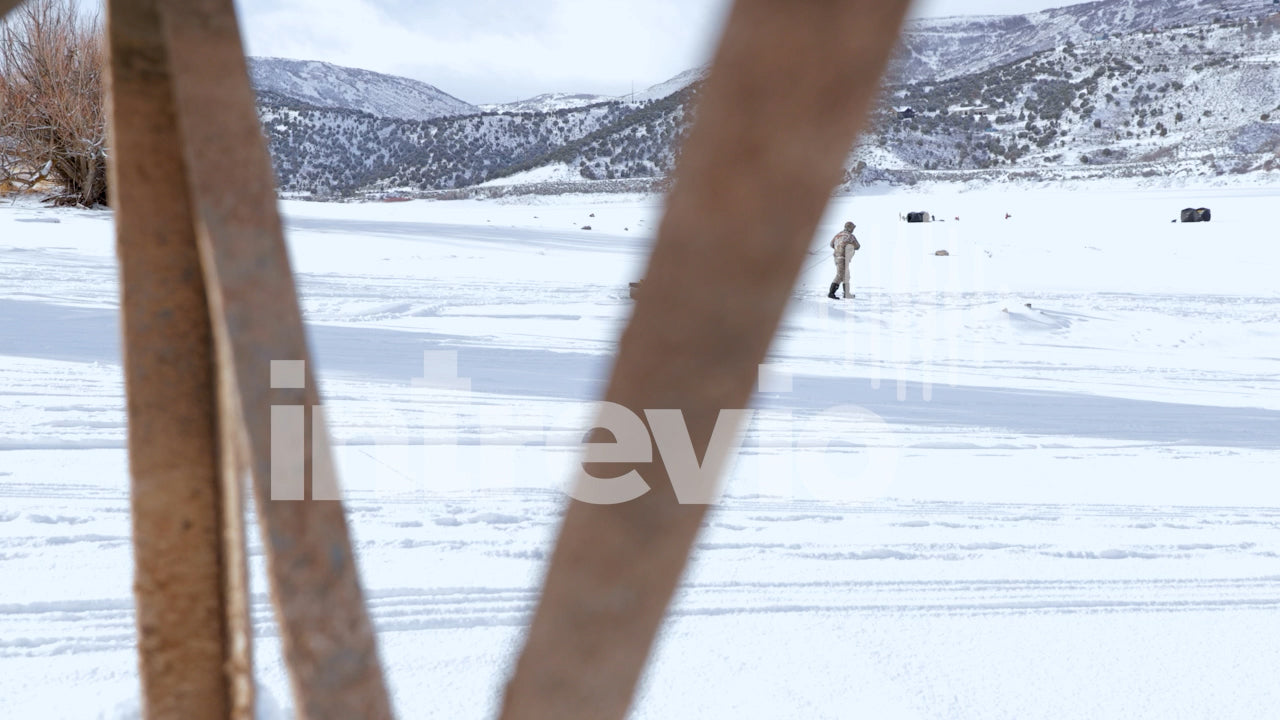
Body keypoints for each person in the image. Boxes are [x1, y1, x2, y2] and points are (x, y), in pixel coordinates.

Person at [828, 221, 860, 299]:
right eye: (852, 228)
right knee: (840, 275)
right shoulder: (850, 236)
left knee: (846, 275)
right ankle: (831, 293)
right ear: (850, 228)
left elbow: (831, 244)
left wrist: (838, 247)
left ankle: (846, 294)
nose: (853, 230)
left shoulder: (838, 235)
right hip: (843, 258)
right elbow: (858, 246)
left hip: (836, 257)